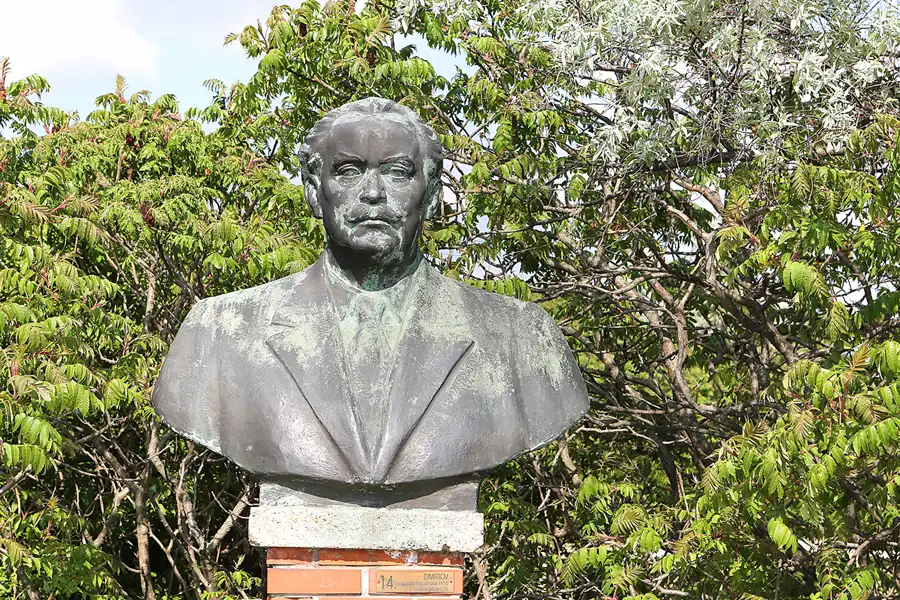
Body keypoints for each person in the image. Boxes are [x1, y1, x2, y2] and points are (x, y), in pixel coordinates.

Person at [152, 98, 588, 500]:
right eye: (348, 171)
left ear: (432, 194)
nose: (373, 193)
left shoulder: (518, 338)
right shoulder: (219, 331)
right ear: (313, 189)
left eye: (398, 171)